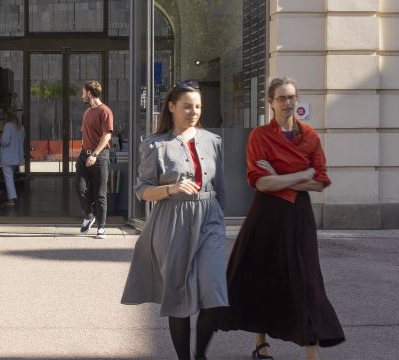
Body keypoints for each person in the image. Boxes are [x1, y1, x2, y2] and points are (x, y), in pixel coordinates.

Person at [220, 77, 345, 360]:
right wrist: (301, 175)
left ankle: (311, 353)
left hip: (298, 215)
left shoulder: (310, 136)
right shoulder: (260, 136)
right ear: (271, 103)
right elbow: (260, 184)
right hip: (266, 215)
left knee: (306, 280)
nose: (288, 102)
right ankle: (260, 344)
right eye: (282, 98)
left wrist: (278, 178)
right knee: (261, 275)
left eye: (292, 97)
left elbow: (321, 181)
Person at [121, 80, 227, 360]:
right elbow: (142, 190)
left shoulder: (213, 141)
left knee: (215, 295)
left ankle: (200, 354)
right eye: (187, 106)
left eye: (198, 107)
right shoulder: (155, 145)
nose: (194, 112)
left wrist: (219, 217)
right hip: (172, 221)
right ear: (172, 107)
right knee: (178, 295)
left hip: (209, 217)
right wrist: (171, 188)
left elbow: (222, 187)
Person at [76, 79, 114, 239]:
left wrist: (95, 154)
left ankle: (102, 227)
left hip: (99, 156)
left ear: (89, 93)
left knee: (100, 194)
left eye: (83, 92)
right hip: (84, 155)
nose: (82, 95)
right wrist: (85, 151)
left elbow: (107, 135)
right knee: (80, 188)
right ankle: (89, 215)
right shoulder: (87, 112)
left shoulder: (104, 111)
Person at [0, 106, 25, 208]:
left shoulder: (8, 126)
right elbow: (21, 141)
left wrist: (0, 138)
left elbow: (5, 141)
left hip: (7, 157)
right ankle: (13, 197)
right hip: (16, 157)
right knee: (10, 178)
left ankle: (11, 199)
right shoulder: (21, 127)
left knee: (8, 178)